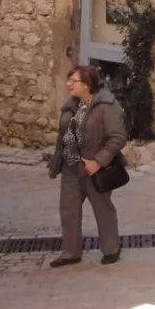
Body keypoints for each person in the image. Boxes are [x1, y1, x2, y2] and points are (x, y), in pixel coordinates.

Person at [47, 65, 128, 267]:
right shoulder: (72, 104)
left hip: (94, 169)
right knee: (68, 211)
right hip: (70, 167)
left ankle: (111, 249)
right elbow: (63, 136)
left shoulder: (107, 106)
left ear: (86, 84)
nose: (68, 84)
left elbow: (118, 137)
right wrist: (58, 158)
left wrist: (98, 161)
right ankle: (70, 252)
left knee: (103, 209)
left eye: (73, 81)